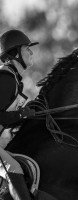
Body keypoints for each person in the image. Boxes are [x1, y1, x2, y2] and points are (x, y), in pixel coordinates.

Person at [0, 29, 37, 200]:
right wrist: (21, 115)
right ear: (15, 53)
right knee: (14, 167)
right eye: (27, 48)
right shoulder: (5, 78)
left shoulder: (13, 79)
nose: (31, 52)